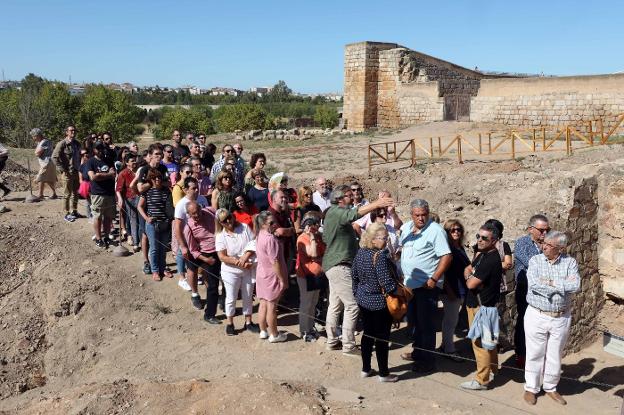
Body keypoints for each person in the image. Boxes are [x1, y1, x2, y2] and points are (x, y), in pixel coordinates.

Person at [322, 185, 394, 354]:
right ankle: (348, 345)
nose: (352, 199)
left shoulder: (332, 214)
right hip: (340, 265)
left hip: (334, 264)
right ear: (340, 199)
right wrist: (377, 203)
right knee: (352, 305)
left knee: (335, 304)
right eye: (348, 196)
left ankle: (332, 340)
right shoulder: (337, 212)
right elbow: (353, 214)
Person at [523, 231, 579, 406]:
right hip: (537, 313)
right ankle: (531, 388)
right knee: (534, 353)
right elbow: (533, 284)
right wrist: (561, 285)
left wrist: (550, 282)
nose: (543, 246)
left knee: (555, 355)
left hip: (561, 316)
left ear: (560, 248)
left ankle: (550, 387)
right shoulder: (535, 261)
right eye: (543, 243)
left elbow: (575, 285)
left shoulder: (570, 263)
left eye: (548, 245)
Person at [399, 199, 451, 373]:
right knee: (414, 322)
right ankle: (418, 352)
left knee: (426, 324)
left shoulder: (436, 231)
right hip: (409, 285)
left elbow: (446, 256)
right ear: (411, 215)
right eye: (417, 215)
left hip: (426, 286)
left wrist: (435, 278)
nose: (421, 218)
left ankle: (427, 361)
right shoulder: (407, 227)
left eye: (424, 215)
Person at [352, 222, 399, 382]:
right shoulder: (379, 257)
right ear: (373, 239)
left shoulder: (360, 253)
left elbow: (354, 276)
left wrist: (357, 294)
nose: (386, 241)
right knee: (382, 338)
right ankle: (384, 374)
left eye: (386, 237)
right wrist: (401, 292)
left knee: (367, 334)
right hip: (379, 303)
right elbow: (386, 282)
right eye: (383, 238)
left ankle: (365, 369)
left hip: (364, 300)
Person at [459, 223, 502, 391]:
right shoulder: (483, 254)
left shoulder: (490, 259)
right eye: (478, 236)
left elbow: (470, 283)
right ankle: (494, 370)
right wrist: (471, 276)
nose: (480, 240)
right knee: (489, 340)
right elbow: (467, 269)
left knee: (479, 343)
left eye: (485, 238)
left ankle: (482, 380)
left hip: (480, 306)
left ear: (495, 241)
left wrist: (471, 277)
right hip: (483, 305)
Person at [215, 208, 260, 336]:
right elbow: (222, 256)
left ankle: (248, 322)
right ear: (220, 223)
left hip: (247, 268)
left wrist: (245, 257)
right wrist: (239, 262)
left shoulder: (244, 227)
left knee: (248, 295)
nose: (228, 221)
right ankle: (230, 323)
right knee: (231, 297)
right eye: (224, 220)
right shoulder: (220, 236)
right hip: (230, 271)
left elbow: (253, 242)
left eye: (229, 217)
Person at [514, 214, 550, 368]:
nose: (545, 234)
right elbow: (532, 264)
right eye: (541, 230)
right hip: (525, 289)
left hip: (543, 291)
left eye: (547, 230)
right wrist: (543, 251)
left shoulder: (549, 243)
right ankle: (521, 354)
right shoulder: (522, 243)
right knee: (524, 321)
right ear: (531, 229)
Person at [184, 201, 221, 324]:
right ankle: (209, 314)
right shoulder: (188, 227)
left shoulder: (210, 211)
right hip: (208, 255)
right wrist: (206, 260)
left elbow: (221, 215)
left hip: (222, 250)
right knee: (213, 285)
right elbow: (193, 251)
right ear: (188, 214)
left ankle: (226, 306)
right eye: (194, 214)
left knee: (228, 280)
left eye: (198, 211)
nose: (198, 215)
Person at [255, 210, 288, 343]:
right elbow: (275, 261)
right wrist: (282, 280)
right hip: (271, 276)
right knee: (272, 306)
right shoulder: (270, 239)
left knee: (263, 303)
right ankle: (274, 334)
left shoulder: (260, 234)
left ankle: (263, 330)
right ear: (263, 224)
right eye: (271, 222)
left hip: (262, 273)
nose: (275, 224)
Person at [439, 219, 470, 361]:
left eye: (459, 229)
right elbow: (441, 271)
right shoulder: (446, 249)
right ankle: (449, 350)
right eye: (452, 230)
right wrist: (449, 290)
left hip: (460, 288)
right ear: (446, 232)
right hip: (451, 289)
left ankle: (444, 346)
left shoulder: (459, 247)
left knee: (451, 319)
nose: (456, 232)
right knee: (451, 321)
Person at [174, 176, 209, 295]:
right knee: (192, 268)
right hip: (190, 241)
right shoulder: (181, 205)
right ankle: (195, 294)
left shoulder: (203, 200)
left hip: (204, 240)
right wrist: (183, 246)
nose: (196, 190)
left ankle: (209, 291)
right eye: (193, 188)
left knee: (204, 268)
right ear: (186, 189)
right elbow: (178, 227)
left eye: (197, 188)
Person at [138, 168, 174, 281]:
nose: (157, 179)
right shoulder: (147, 191)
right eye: (154, 178)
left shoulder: (166, 191)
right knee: (154, 248)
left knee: (163, 248)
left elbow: (169, 206)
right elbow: (139, 206)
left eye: (159, 177)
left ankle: (163, 268)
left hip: (164, 223)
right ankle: (155, 270)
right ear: (151, 179)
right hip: (152, 224)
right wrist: (146, 218)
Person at [296, 215, 326, 342]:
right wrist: (312, 237)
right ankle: (304, 331)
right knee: (306, 303)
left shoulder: (318, 237)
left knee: (313, 303)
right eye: (315, 225)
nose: (318, 227)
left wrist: (318, 258)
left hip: (317, 274)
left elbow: (324, 252)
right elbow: (313, 253)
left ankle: (310, 328)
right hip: (305, 276)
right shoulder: (302, 238)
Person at [86, 142, 117, 248]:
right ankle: (99, 238)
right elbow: (93, 177)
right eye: (98, 149)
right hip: (98, 193)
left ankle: (107, 237)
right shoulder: (91, 162)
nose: (101, 151)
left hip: (110, 192)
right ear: (94, 150)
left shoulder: (108, 160)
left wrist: (100, 174)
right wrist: (106, 175)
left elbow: (113, 174)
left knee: (108, 217)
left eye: (102, 148)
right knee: (98, 217)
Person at [52, 125, 82, 222]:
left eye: (74, 130)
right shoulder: (62, 144)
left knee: (76, 193)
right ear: (67, 132)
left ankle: (74, 211)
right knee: (67, 194)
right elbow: (54, 157)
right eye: (71, 130)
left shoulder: (77, 143)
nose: (73, 132)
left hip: (76, 171)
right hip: (67, 173)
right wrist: (63, 169)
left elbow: (80, 157)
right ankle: (66, 213)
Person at [116, 153, 140, 250]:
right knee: (133, 220)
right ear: (127, 163)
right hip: (130, 199)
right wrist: (120, 199)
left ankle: (140, 239)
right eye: (132, 161)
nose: (134, 162)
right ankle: (136, 242)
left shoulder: (139, 171)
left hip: (141, 198)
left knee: (141, 221)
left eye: (135, 160)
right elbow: (118, 189)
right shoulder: (123, 173)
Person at [31, 128, 57, 200]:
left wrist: (36, 152)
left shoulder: (44, 142)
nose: (33, 138)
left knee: (40, 178)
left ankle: (40, 195)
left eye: (34, 136)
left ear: (37, 135)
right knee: (48, 179)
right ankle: (54, 193)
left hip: (46, 162)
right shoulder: (43, 142)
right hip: (48, 162)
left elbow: (38, 153)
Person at [78, 149, 92, 219]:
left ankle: (94, 215)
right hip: (86, 185)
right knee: (88, 202)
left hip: (93, 184)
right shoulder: (83, 165)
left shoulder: (93, 163)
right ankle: (89, 215)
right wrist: (81, 181)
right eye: (85, 156)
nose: (86, 157)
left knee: (94, 201)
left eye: (87, 155)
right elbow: (80, 173)